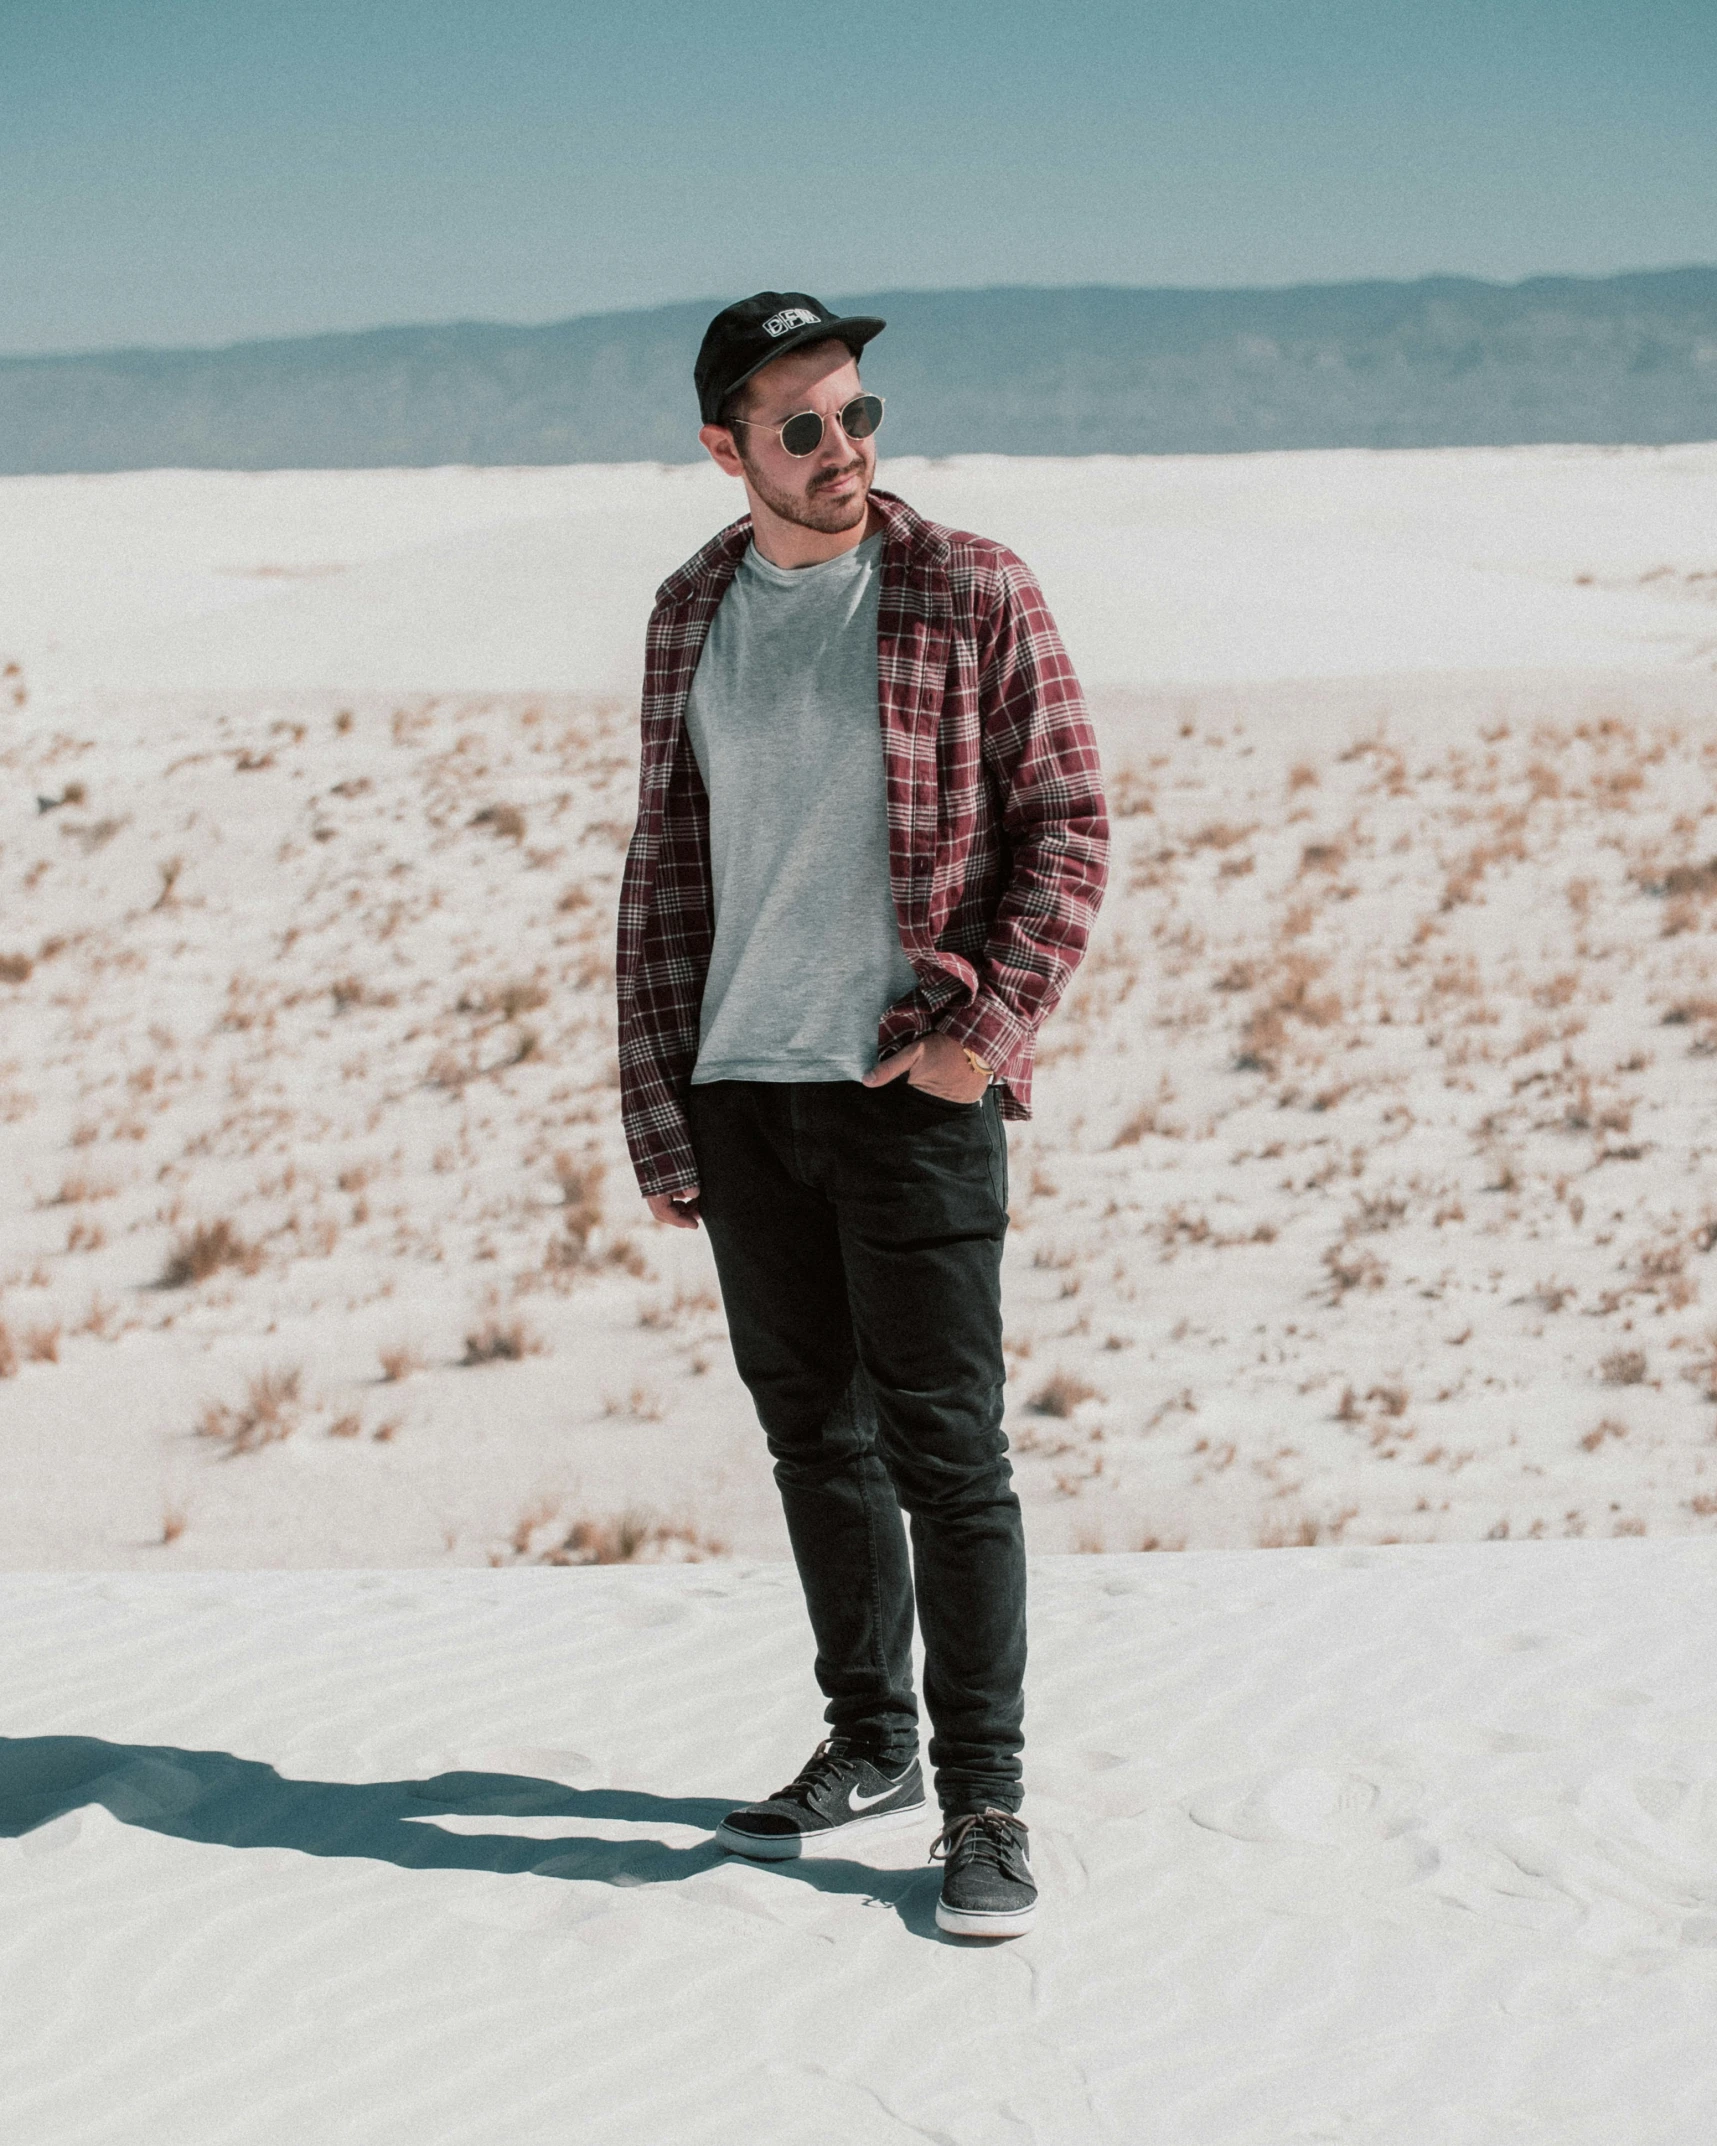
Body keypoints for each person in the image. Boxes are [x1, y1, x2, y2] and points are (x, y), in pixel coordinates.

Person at [615, 291, 1107, 1938]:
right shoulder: (691, 609)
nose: (845, 451)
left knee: (948, 1454)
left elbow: (1069, 821)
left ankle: (986, 1798)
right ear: (726, 448)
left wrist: (992, 1025)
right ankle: (870, 1739)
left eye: (860, 413)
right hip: (747, 1087)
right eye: (803, 427)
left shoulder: (969, 586)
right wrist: (666, 1099)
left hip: (907, 1088)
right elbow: (666, 868)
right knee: (813, 1440)